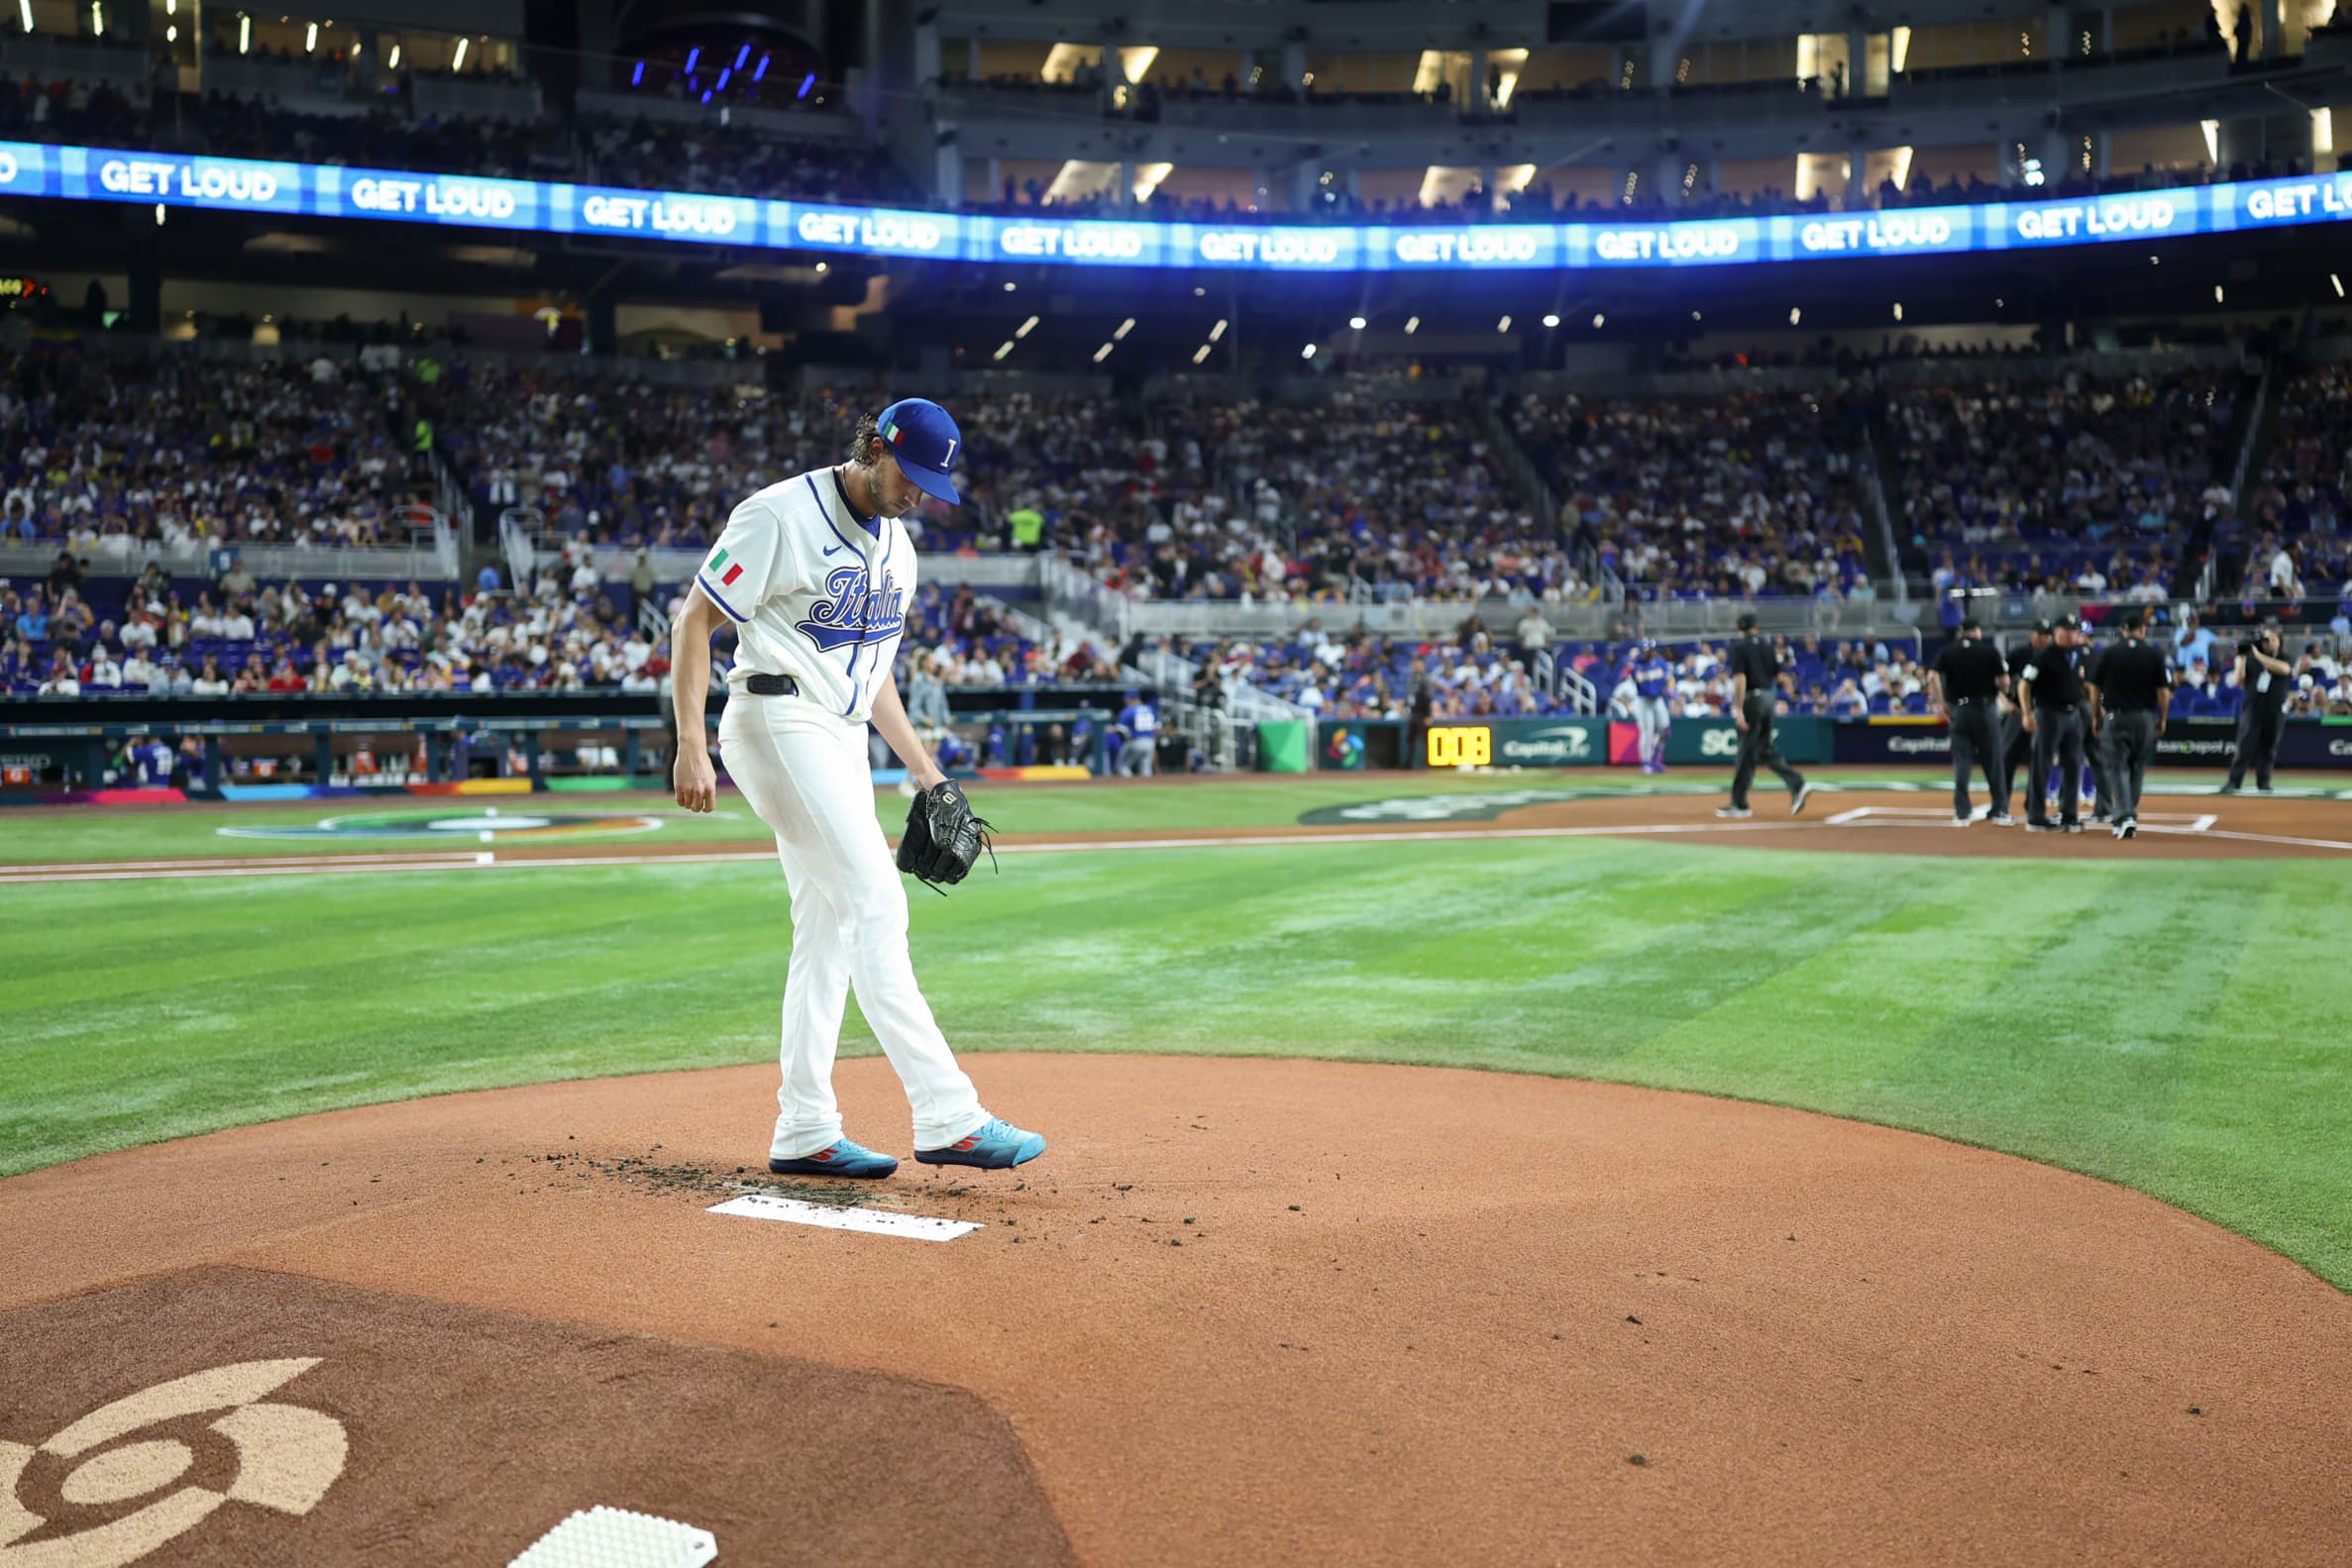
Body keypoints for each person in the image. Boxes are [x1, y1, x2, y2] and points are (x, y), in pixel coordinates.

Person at [669, 396, 1045, 1179]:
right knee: (878, 902)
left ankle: (804, 1127)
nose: (915, 496)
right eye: (907, 477)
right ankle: (950, 1114)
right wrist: (690, 743)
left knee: (827, 930)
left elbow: (875, 677)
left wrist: (927, 769)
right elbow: (694, 620)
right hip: (774, 719)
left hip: (836, 736)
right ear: (874, 447)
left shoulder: (899, 553)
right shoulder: (779, 515)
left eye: (927, 488)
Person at [2085, 609, 2172, 840]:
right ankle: (2128, 814)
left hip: (2116, 717)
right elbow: (2164, 692)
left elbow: (2094, 688)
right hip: (2144, 718)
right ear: (2143, 629)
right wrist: (2162, 719)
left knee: (2117, 767)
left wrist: (2096, 715)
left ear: (2122, 631)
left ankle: (2124, 817)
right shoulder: (2155, 654)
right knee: (2137, 769)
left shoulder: (2109, 653)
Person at [1716, 611, 1811, 819]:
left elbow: (1740, 678)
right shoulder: (1767, 647)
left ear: (1739, 628)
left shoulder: (1739, 647)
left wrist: (1738, 708)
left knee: (1745, 753)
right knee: (1764, 748)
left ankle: (1739, 804)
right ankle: (1797, 783)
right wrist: (1791, 692)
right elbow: (1779, 676)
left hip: (1752, 700)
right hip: (1769, 699)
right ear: (1756, 627)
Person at [1928, 615, 2011, 825]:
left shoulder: (1948, 651)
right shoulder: (1989, 650)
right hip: (1984, 710)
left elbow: (1932, 677)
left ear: (1962, 632)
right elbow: (2004, 681)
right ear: (1977, 631)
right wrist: (2000, 692)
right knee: (1993, 761)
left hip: (1959, 710)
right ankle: (2000, 809)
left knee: (1962, 762)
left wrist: (1942, 703)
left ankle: (1962, 812)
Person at [2019, 612, 2088, 832]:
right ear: (2058, 632)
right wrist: (2027, 714)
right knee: (2042, 765)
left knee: (2073, 765)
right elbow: (2024, 685)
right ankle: (2035, 816)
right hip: (2049, 715)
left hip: (2073, 715)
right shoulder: (2044, 656)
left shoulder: (2077, 655)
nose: (2074, 634)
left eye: (2076, 630)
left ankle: (2069, 815)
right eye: (2069, 631)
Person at [2220, 622, 2291, 793]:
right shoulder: (2251, 659)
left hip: (2275, 710)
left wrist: (2259, 656)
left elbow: (2285, 669)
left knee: (2269, 748)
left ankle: (2264, 782)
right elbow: (2239, 681)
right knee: (2244, 746)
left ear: (2279, 640)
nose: (2270, 642)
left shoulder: (2284, 657)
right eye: (2266, 639)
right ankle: (2234, 782)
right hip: (2253, 709)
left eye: (2273, 638)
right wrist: (2242, 659)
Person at [1630, 640, 1672, 775]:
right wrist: (1664, 691)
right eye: (1645, 650)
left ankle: (1656, 760)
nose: (1647, 653)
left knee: (1666, 730)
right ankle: (1646, 762)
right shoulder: (1638, 665)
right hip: (1643, 700)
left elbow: (1669, 679)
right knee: (1647, 731)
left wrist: (1670, 689)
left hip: (1657, 700)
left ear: (1654, 651)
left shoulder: (1661, 664)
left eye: (1649, 650)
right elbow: (1646, 688)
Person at [1114, 689, 1159, 776]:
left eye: (1126, 700)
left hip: (1136, 741)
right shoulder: (1151, 709)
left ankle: (1127, 786)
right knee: (1146, 768)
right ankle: (1147, 787)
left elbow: (1122, 730)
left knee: (1123, 766)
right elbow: (1157, 728)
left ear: (1132, 699)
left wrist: (1112, 729)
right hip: (1150, 742)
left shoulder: (1128, 711)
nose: (1125, 702)